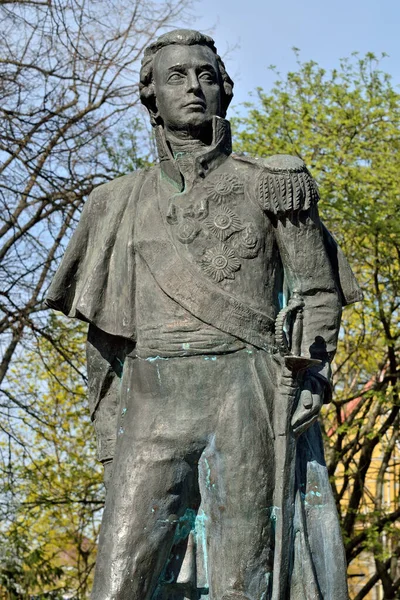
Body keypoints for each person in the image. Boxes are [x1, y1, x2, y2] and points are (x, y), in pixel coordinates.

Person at [46, 29, 362, 600]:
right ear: (151, 97)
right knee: (119, 582)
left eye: (207, 75)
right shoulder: (114, 202)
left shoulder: (272, 182)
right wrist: (107, 427)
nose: (194, 87)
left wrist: (313, 370)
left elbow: (318, 290)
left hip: (244, 395)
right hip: (151, 402)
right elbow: (104, 340)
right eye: (176, 77)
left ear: (224, 90)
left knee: (245, 580)